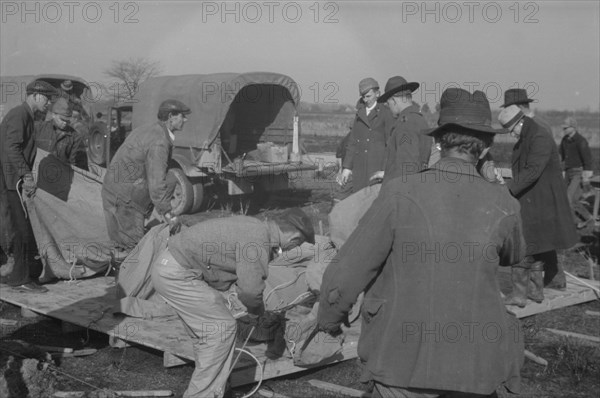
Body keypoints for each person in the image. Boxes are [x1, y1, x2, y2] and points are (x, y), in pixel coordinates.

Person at [318, 88, 524, 398]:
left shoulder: (400, 191)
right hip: (476, 366)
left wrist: (330, 319)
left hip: (400, 361)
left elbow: (349, 268)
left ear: (440, 141)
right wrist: (493, 185)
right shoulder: (504, 203)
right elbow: (514, 254)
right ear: (485, 149)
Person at [151, 208, 315, 398]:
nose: (291, 249)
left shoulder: (255, 226)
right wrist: (257, 312)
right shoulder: (258, 239)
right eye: (297, 244)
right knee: (222, 328)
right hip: (178, 274)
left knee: (207, 334)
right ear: (294, 238)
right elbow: (250, 289)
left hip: (170, 267)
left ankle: (219, 388)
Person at [498, 105, 578, 297]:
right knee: (544, 238)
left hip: (544, 197)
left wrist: (507, 189)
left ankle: (526, 291)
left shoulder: (539, 136)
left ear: (519, 123)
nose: (511, 134)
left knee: (534, 239)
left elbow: (533, 170)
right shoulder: (527, 137)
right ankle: (555, 280)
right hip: (534, 196)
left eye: (511, 130)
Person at [101, 99, 191, 251]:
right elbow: (156, 185)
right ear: (171, 117)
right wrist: (169, 214)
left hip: (112, 192)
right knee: (135, 251)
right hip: (125, 201)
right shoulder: (159, 142)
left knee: (119, 246)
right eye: (182, 116)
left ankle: (120, 270)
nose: (185, 119)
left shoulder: (148, 129)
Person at [0, 80, 57, 292]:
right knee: (22, 230)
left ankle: (17, 275)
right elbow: (11, 147)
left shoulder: (26, 115)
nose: (49, 103)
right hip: (11, 181)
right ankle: (21, 279)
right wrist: (26, 175)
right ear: (34, 95)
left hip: (10, 179)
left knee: (18, 229)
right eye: (47, 98)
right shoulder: (20, 114)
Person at [372, 75, 432, 183]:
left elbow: (406, 169)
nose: (388, 107)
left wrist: (387, 177)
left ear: (394, 101)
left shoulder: (405, 124)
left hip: (401, 192)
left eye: (388, 103)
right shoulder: (419, 120)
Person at [339, 78, 394, 192]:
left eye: (368, 96)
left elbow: (390, 144)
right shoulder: (360, 113)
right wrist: (347, 168)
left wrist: (385, 169)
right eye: (363, 96)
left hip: (376, 166)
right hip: (359, 167)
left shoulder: (386, 113)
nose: (365, 99)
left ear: (377, 93)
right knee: (359, 199)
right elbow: (353, 142)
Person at [559, 116, 594, 227]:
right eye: (563, 128)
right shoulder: (564, 140)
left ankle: (575, 223)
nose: (563, 130)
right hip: (567, 172)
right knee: (567, 198)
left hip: (578, 173)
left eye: (566, 128)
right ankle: (588, 218)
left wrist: (587, 174)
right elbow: (561, 156)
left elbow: (587, 158)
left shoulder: (581, 140)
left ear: (573, 128)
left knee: (569, 197)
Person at [35, 97, 88, 170]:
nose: (65, 123)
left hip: (62, 177)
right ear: (53, 115)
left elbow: (80, 167)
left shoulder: (75, 138)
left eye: (67, 120)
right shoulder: (38, 129)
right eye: (62, 119)